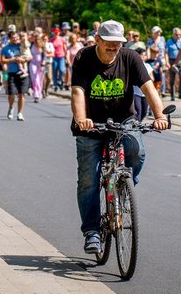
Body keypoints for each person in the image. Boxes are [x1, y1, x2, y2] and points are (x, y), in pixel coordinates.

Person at [70, 20, 169, 254]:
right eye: (109, 44)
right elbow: (77, 91)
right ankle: (92, 231)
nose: (114, 48)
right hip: (92, 125)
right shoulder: (84, 58)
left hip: (123, 120)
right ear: (97, 40)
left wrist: (160, 116)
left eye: (118, 44)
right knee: (88, 180)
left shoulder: (130, 58)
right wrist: (81, 118)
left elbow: (148, 88)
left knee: (137, 150)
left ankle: (125, 188)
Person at [0, 29, 28, 121]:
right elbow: (2, 60)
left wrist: (23, 59)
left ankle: (20, 113)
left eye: (16, 37)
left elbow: (29, 56)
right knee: (11, 94)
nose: (15, 39)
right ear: (9, 39)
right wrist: (13, 60)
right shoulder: (5, 48)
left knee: (21, 94)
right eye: (13, 38)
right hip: (11, 72)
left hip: (23, 73)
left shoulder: (21, 46)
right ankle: (11, 107)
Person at [145, 26, 167, 94]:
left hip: (161, 58)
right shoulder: (150, 40)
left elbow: (164, 50)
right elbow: (148, 49)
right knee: (153, 73)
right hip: (152, 59)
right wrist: (148, 57)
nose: (158, 33)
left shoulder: (162, 39)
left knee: (162, 74)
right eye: (157, 32)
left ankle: (162, 90)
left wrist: (166, 60)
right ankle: (153, 90)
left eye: (159, 32)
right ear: (153, 33)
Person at [165, 27, 181, 101]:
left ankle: (180, 93)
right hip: (171, 61)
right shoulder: (169, 41)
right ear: (173, 34)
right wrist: (167, 62)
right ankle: (172, 95)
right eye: (176, 34)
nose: (178, 36)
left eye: (179, 34)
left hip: (180, 61)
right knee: (172, 79)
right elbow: (166, 53)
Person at [28, 30, 44, 103]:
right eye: (33, 36)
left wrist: (43, 63)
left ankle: (39, 92)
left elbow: (44, 55)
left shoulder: (42, 45)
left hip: (40, 64)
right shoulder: (31, 45)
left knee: (39, 79)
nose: (34, 38)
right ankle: (36, 95)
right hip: (33, 63)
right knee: (34, 79)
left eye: (36, 36)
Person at [51, 27, 67, 91]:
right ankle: (55, 84)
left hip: (61, 56)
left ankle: (60, 80)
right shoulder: (51, 40)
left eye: (57, 32)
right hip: (54, 57)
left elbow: (65, 48)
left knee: (62, 70)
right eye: (55, 33)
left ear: (59, 33)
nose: (56, 34)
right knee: (54, 70)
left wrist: (66, 57)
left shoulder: (62, 39)